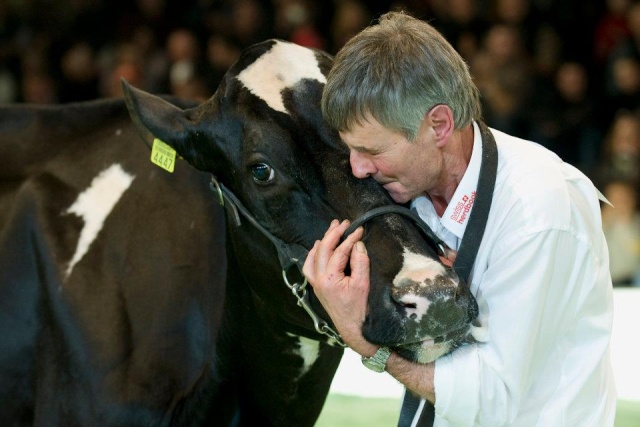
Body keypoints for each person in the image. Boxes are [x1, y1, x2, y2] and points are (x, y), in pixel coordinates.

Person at [302, 11, 616, 426]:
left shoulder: (538, 209)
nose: (358, 169)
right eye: (351, 150)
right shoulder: (406, 191)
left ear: (439, 125)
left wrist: (361, 337)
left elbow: (490, 399)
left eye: (373, 151)